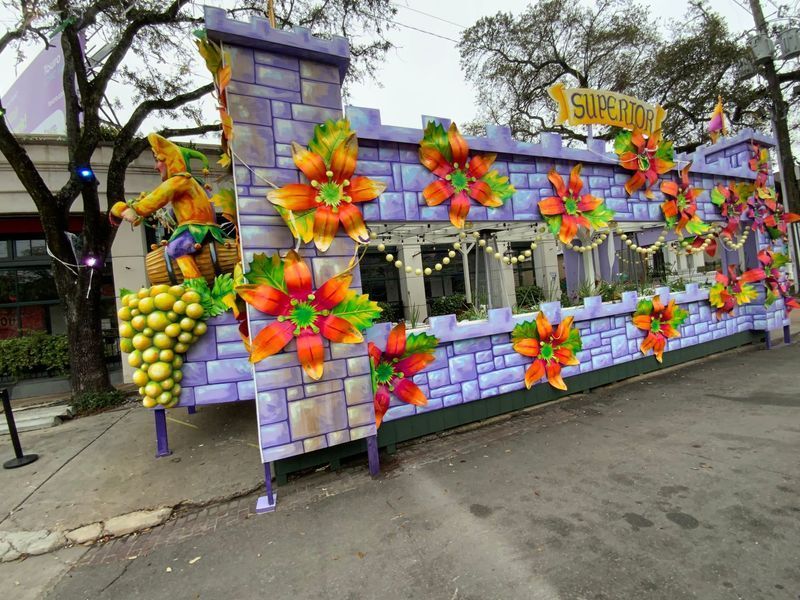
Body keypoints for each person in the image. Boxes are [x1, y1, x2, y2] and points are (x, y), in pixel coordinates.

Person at [110, 133, 229, 280]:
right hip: (202, 227)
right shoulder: (191, 182)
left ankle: (196, 285)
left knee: (176, 248)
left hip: (197, 228)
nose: (155, 167)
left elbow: (155, 199)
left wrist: (127, 209)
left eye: (158, 162)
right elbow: (176, 211)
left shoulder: (179, 181)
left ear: (168, 160)